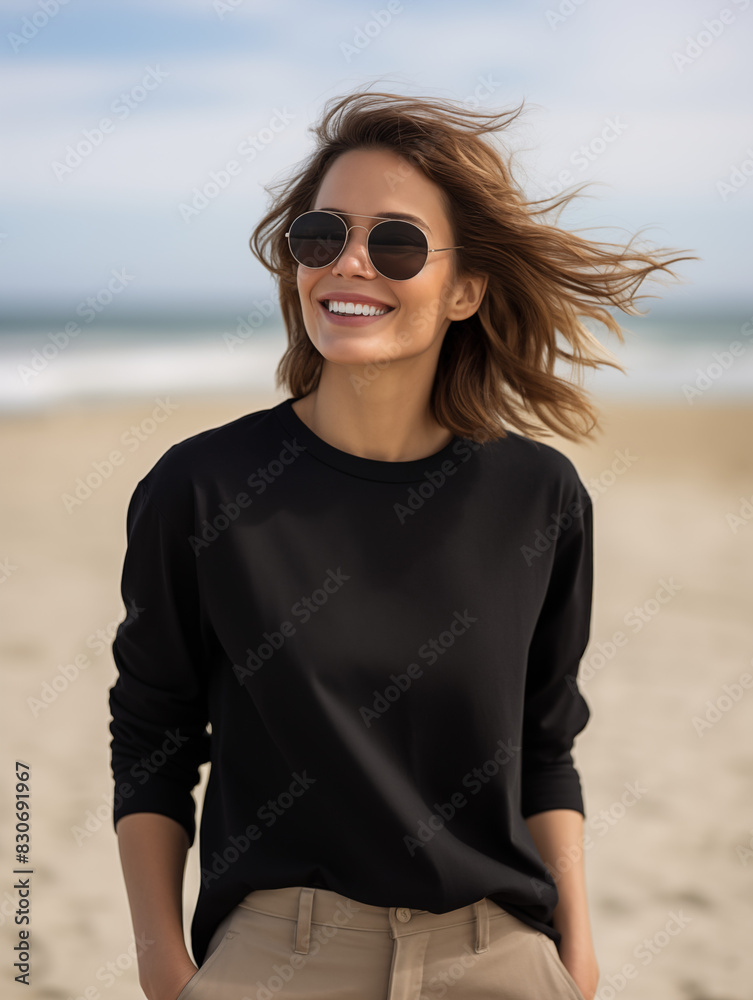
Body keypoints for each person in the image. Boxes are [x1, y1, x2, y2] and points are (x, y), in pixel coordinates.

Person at [108, 88, 695, 1000]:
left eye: (396, 242)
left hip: (499, 954)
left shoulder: (539, 499)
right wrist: (162, 965)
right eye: (320, 235)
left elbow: (546, 745)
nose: (349, 263)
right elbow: (154, 737)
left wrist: (574, 961)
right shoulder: (202, 489)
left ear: (465, 289)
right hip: (280, 955)